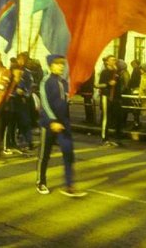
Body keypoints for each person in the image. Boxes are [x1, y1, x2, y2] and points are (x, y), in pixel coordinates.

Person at [36, 54, 87, 197]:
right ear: (51, 65)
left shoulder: (64, 82)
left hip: (63, 124)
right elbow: (44, 103)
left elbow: (65, 103)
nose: (61, 66)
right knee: (44, 155)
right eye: (58, 64)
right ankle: (41, 182)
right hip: (49, 124)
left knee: (68, 153)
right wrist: (52, 121)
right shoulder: (46, 81)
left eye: (62, 64)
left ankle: (69, 185)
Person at [97, 55, 123, 146]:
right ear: (107, 62)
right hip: (106, 97)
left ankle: (117, 138)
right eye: (111, 60)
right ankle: (104, 138)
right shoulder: (104, 72)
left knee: (118, 117)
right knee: (106, 117)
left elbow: (119, 86)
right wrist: (108, 83)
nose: (113, 62)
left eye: (115, 60)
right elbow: (99, 85)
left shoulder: (117, 72)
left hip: (115, 98)